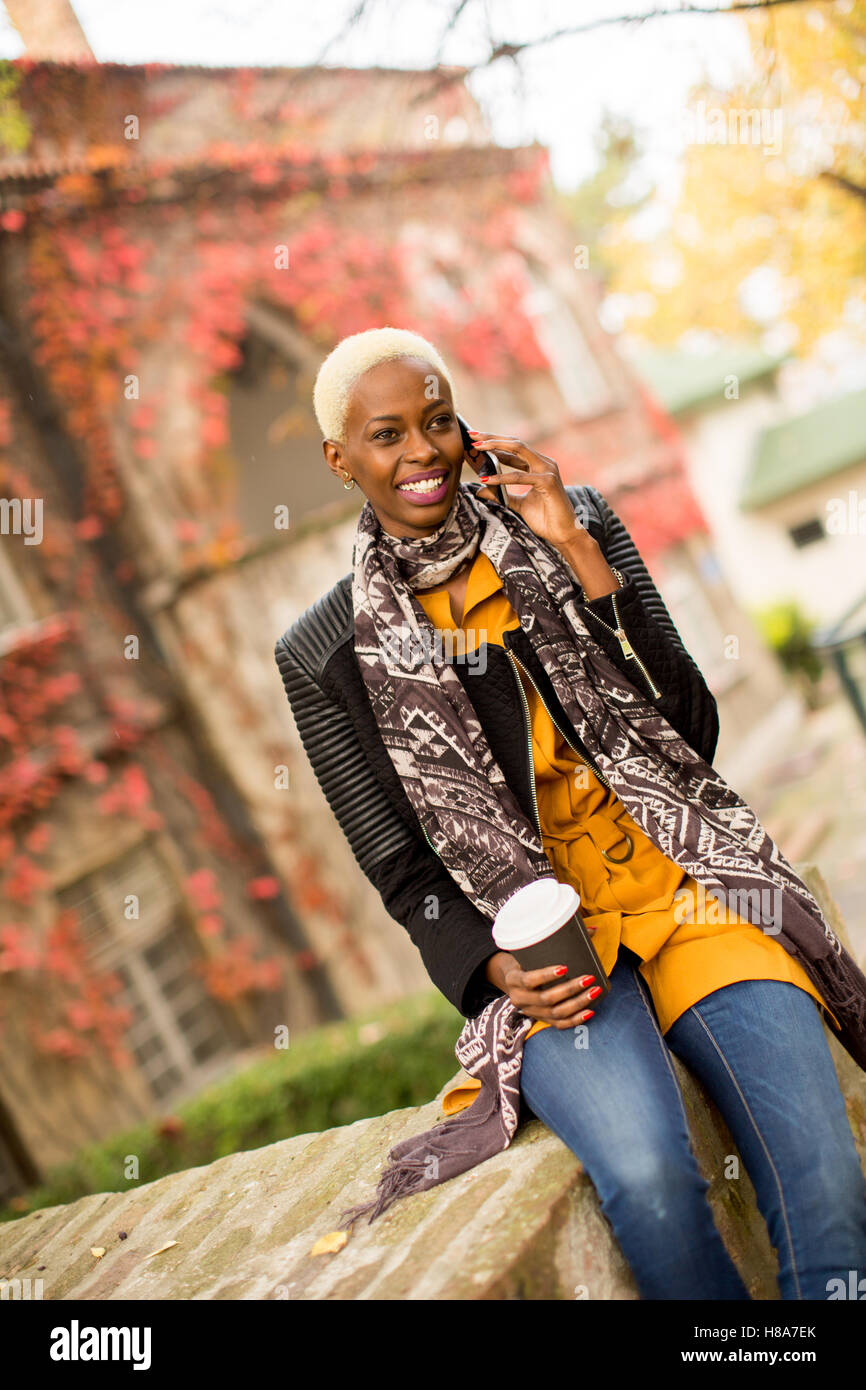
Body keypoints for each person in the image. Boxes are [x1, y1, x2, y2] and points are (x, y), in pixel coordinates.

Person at [274, 325, 866, 1300]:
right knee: (643, 1177)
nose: (421, 452)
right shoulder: (325, 650)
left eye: (436, 422)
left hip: (680, 885)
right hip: (548, 950)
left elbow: (690, 729)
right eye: (386, 436)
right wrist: (491, 967)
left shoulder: (570, 519)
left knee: (820, 1167)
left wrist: (585, 564)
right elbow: (401, 870)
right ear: (340, 459)